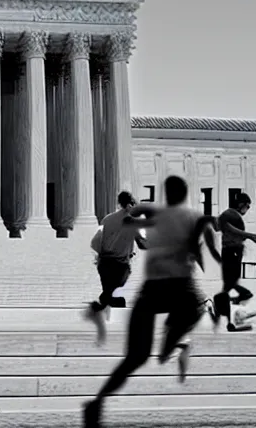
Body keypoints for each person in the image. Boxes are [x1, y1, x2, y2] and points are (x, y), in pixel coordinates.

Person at [83, 175, 221, 428]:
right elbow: (201, 244)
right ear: (184, 195)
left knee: (135, 357)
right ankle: (174, 341)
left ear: (167, 195)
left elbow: (136, 221)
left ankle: (98, 401)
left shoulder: (156, 215)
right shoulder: (189, 217)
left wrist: (129, 218)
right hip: (181, 289)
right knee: (193, 311)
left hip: (155, 289)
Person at [84, 191, 147, 345]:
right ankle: (102, 305)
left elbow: (96, 240)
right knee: (119, 282)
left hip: (104, 263)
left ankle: (104, 306)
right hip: (120, 264)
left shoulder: (107, 219)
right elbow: (142, 244)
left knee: (109, 292)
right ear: (130, 204)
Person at [209, 192, 256, 332]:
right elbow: (227, 228)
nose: (248, 209)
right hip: (232, 250)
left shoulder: (229, 215)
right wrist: (250, 235)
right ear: (241, 204)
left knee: (229, 284)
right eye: (248, 206)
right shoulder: (230, 214)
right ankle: (239, 300)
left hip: (232, 250)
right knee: (230, 283)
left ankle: (227, 319)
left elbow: (218, 227)